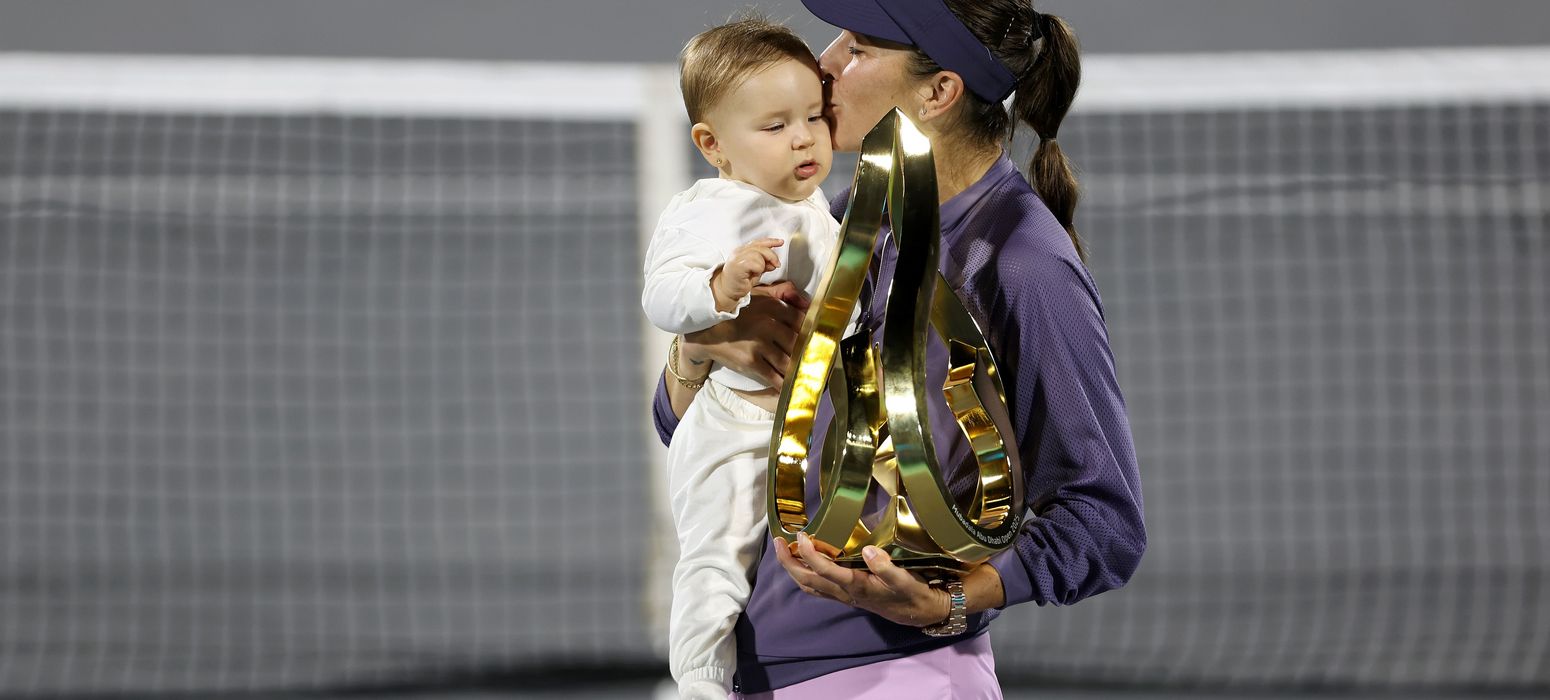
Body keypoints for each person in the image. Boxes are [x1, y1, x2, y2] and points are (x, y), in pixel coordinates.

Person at [651, 0, 1147, 696]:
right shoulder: (853, 213)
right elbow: (684, 429)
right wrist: (697, 357)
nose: (821, 66)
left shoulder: (1022, 262)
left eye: (857, 48)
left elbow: (1105, 524)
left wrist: (950, 601)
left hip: (893, 676)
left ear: (938, 92)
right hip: (758, 669)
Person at [641, 16, 845, 700]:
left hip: (804, 429)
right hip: (731, 425)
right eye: (775, 125)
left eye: (813, 116)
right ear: (712, 145)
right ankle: (700, 685)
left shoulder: (819, 207)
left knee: (783, 562)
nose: (803, 137)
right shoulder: (709, 209)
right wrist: (719, 287)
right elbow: (662, 296)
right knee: (718, 555)